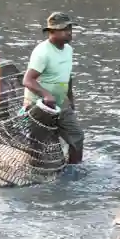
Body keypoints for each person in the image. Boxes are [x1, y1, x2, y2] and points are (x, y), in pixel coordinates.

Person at [22, 12, 84, 164]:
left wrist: (70, 99)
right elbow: (28, 80)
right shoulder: (42, 52)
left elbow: (67, 76)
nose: (69, 32)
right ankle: (34, 171)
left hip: (61, 103)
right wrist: (46, 95)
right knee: (38, 145)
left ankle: (73, 170)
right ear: (52, 32)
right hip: (40, 106)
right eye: (64, 29)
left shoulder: (68, 49)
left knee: (77, 137)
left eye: (70, 28)